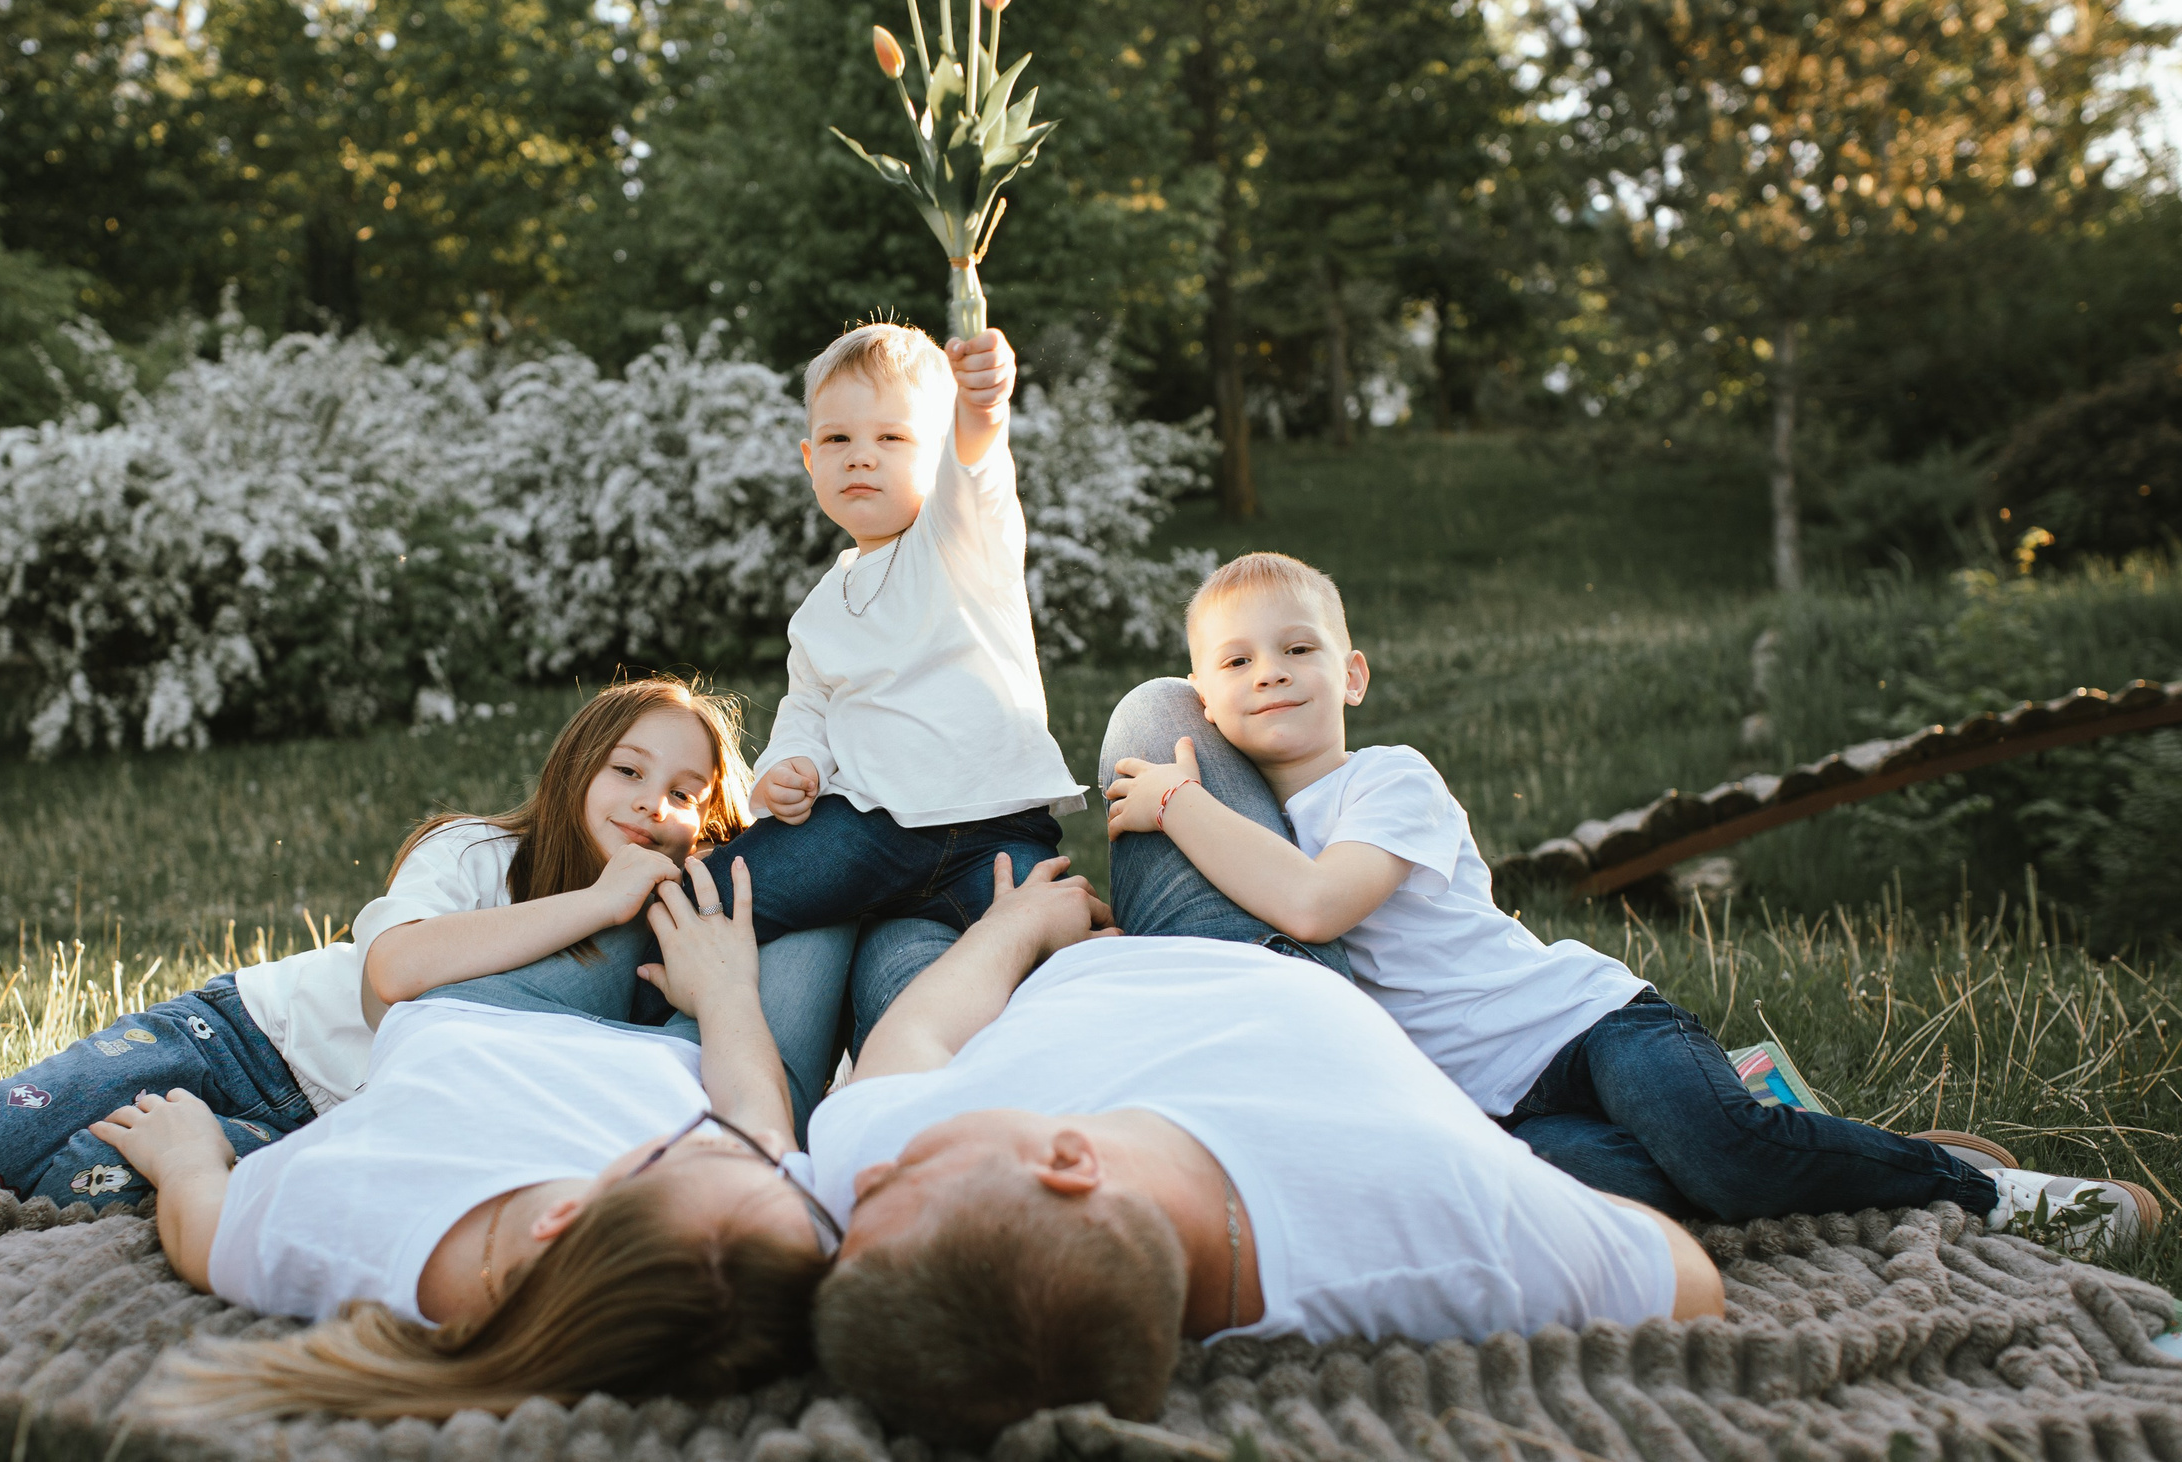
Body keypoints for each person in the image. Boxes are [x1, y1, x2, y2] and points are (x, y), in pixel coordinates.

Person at [1097, 550, 2162, 1242]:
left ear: (1354, 674)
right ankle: (1804, 1124)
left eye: (1298, 648)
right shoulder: (1253, 830)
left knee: (1722, 1156)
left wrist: (1178, 805)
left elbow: (1318, 906)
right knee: (1630, 1187)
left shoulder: (1389, 778)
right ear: (1204, 697)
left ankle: (1993, 1194)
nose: (1271, 672)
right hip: (1503, 1106)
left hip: (1581, 1023)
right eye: (1236, 660)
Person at [0, 677, 764, 1207]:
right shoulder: (478, 853)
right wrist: (600, 897)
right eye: (627, 769)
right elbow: (393, 973)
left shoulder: (655, 935)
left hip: (317, 1129)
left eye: (681, 792)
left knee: (74, 1183)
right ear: (577, 763)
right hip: (241, 1034)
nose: (646, 802)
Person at [803, 856, 1724, 1447]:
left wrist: (1019, 927)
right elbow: (1687, 1279)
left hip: (1003, 988)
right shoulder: (1455, 1234)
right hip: (1250, 948)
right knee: (1156, 717)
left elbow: (914, 1039)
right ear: (1070, 1164)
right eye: (904, 1179)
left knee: (905, 926)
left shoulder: (891, 1198)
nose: (875, 1174)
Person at [104, 854, 847, 1420]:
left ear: (562, 1221)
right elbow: (757, 1119)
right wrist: (724, 991)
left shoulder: (345, 1233)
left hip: (498, 1021)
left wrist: (186, 1156)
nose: (761, 1155)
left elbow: (201, 1226)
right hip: (717, 1047)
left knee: (708, 885)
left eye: (687, 1148)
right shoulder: (754, 1255)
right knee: (813, 888)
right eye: (769, 1171)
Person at [694, 322, 1086, 944]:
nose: (861, 455)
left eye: (893, 437)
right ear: (809, 459)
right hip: (863, 830)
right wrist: (789, 766)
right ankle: (624, 999)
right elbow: (809, 708)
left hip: (997, 831)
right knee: (712, 897)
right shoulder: (818, 611)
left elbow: (976, 463)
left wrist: (981, 407)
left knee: (1066, 944)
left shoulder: (960, 538)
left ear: (938, 450)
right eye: (838, 438)